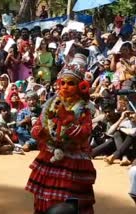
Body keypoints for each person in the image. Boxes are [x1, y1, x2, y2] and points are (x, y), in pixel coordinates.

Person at [25, 54, 96, 213]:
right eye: (62, 82)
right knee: (44, 197)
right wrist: (39, 131)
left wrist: (69, 126)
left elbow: (86, 131)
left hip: (72, 159)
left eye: (70, 83)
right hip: (49, 157)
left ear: (79, 85)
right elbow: (39, 126)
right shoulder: (51, 103)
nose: (65, 86)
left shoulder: (84, 107)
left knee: (69, 200)